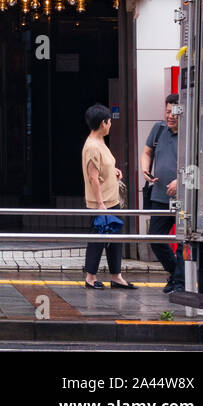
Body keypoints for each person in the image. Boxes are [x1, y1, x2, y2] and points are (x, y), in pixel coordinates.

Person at [82, 103, 135, 290]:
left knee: (115, 239)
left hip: (111, 200)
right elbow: (93, 178)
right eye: (109, 121)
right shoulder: (92, 147)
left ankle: (116, 276)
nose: (111, 124)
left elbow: (104, 169)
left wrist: (115, 171)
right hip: (102, 203)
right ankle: (90, 277)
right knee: (98, 239)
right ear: (103, 123)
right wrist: (100, 204)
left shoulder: (100, 142)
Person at [141, 94, 184, 293]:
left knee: (184, 242)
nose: (170, 116)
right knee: (155, 238)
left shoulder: (190, 133)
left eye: (174, 112)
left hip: (184, 199)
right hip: (159, 196)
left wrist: (180, 181)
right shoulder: (158, 129)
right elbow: (147, 151)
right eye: (167, 112)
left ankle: (180, 283)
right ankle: (175, 275)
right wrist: (145, 169)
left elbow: (198, 162)